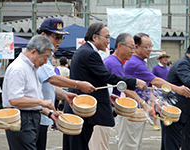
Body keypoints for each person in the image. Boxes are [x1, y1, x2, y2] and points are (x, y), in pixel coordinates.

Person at [63, 22, 148, 150]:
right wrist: (135, 82)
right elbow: (107, 77)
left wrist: (108, 95)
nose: (108, 41)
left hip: (82, 106)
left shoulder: (85, 51)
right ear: (95, 37)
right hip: (84, 107)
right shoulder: (91, 54)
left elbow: (95, 80)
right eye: (106, 37)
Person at [36, 17, 96, 150]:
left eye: (61, 38)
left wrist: (64, 93)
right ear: (43, 36)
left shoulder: (49, 55)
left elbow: (48, 82)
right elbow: (52, 78)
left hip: (43, 115)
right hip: (35, 115)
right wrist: (78, 84)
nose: (59, 42)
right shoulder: (38, 54)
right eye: (56, 37)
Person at [123, 33, 190, 150]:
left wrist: (156, 100)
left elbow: (145, 88)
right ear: (136, 47)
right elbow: (154, 80)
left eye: (151, 46)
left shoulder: (140, 62)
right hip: (131, 106)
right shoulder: (135, 62)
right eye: (146, 46)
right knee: (130, 145)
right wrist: (177, 89)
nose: (150, 49)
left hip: (139, 106)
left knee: (135, 144)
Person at [88, 33, 154, 150]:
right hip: (102, 111)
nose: (133, 51)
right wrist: (143, 104)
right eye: (131, 47)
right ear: (120, 46)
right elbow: (125, 89)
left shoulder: (116, 62)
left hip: (107, 108)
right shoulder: (114, 64)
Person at [2, 35, 60, 150]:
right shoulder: (18, 68)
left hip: (30, 118)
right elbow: (15, 100)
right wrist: (42, 102)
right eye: (45, 58)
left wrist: (49, 113)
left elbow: (30, 98)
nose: (45, 62)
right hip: (21, 119)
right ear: (34, 52)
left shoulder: (31, 68)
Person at [161, 45, 190, 150]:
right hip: (173, 110)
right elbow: (188, 81)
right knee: (171, 145)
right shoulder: (183, 63)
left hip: (184, 112)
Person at [151, 51, 170, 131]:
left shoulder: (168, 68)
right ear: (160, 59)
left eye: (166, 57)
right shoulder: (155, 68)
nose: (166, 59)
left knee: (165, 107)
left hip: (167, 90)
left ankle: (164, 123)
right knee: (156, 108)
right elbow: (152, 79)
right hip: (157, 90)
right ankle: (155, 124)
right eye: (164, 57)